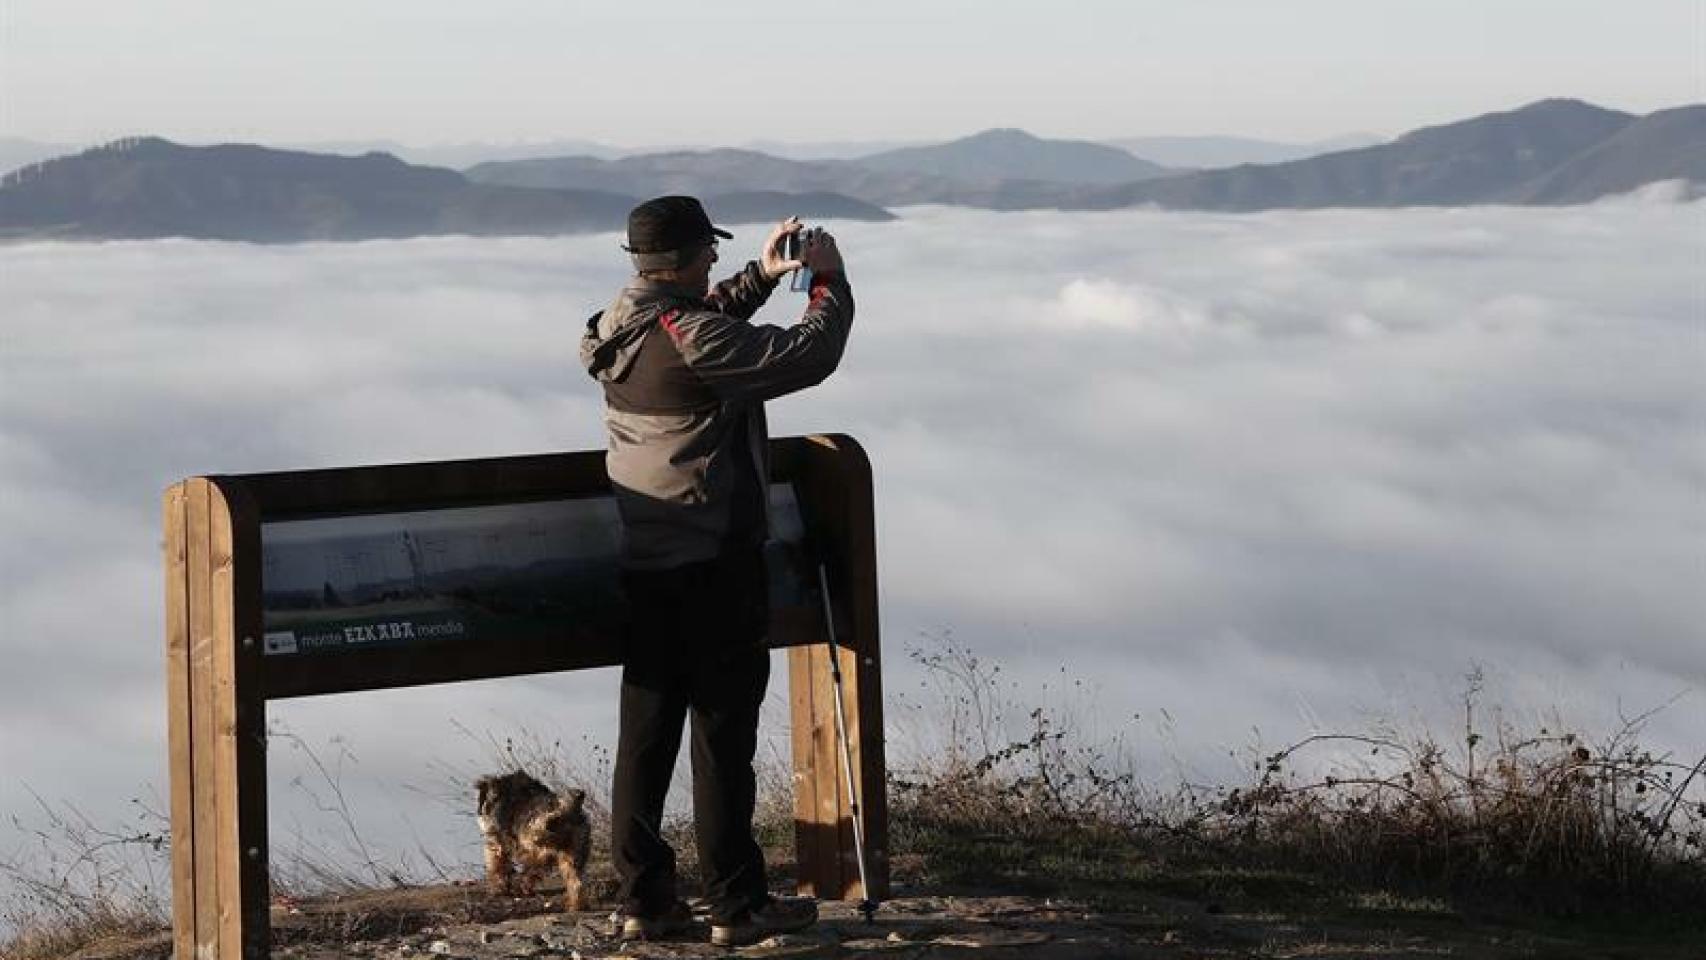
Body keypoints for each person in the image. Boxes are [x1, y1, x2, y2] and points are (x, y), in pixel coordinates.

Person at [579, 195, 853, 946]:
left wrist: (759, 278)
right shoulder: (688, 334)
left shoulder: (617, 324)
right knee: (722, 738)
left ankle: (646, 898)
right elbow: (807, 355)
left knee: (646, 735)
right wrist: (827, 280)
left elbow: (693, 322)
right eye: (709, 256)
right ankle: (737, 902)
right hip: (713, 562)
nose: (713, 266)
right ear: (687, 260)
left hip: (648, 558)